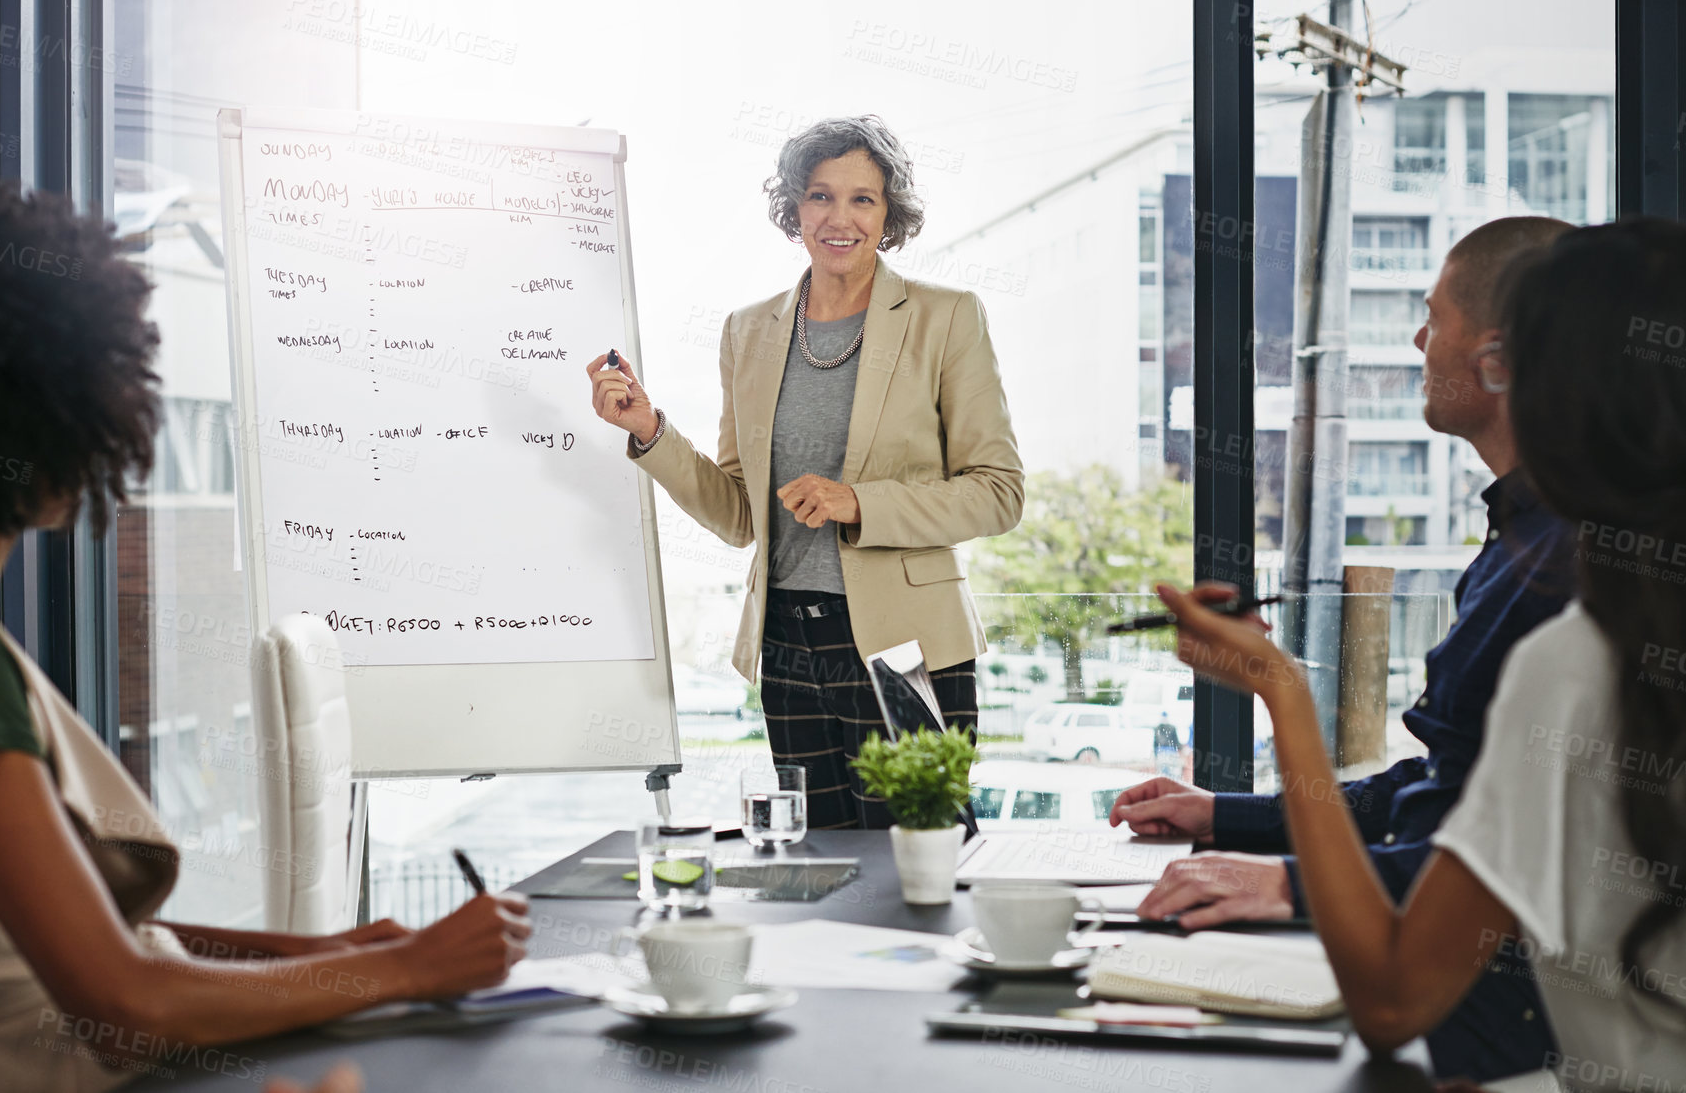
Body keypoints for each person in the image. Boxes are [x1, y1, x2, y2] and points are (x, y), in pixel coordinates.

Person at [0, 183, 529, 1092]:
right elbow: (122, 1005)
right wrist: (413, 970)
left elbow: (47, 940)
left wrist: (327, 954)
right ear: (62, 421)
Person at [1148, 217, 1686, 1089]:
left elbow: (1393, 1001)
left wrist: (1279, 691)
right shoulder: (1576, 589)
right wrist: (1231, 816)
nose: (1416, 338)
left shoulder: (1575, 645)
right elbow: (1480, 794)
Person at [585, 116, 1023, 829]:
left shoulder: (946, 318)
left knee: (920, 859)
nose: (839, 218)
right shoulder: (747, 331)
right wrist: (649, 433)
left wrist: (858, 503)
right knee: (818, 862)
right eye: (820, 197)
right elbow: (737, 515)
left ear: (889, 216)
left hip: (906, 644)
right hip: (787, 642)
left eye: (862, 199)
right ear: (793, 210)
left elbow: (998, 494)